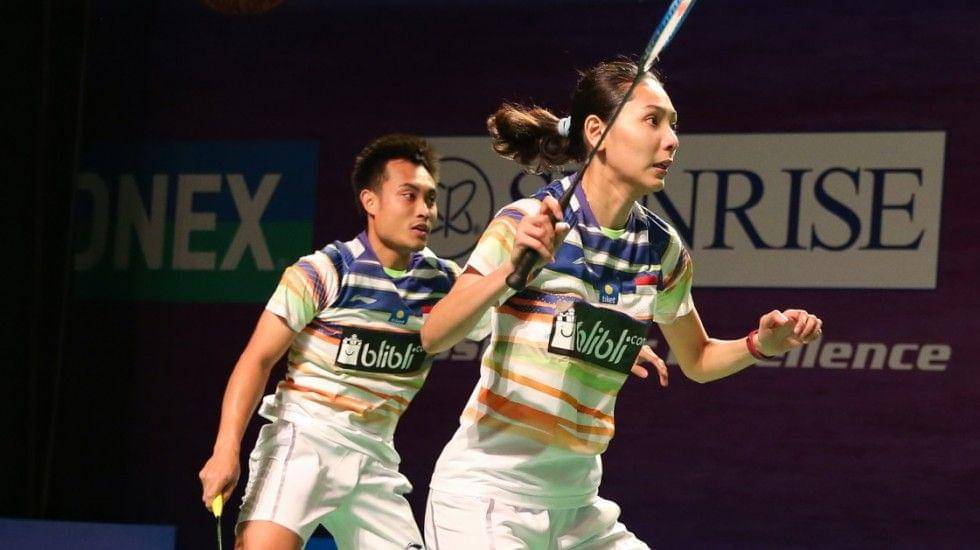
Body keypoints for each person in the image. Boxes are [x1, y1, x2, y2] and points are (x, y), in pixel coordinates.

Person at [420, 60, 823, 548]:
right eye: (652, 121)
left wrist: (759, 345)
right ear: (597, 132)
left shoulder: (661, 249)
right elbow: (435, 334)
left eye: (673, 124)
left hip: (577, 506)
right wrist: (512, 271)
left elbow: (697, 358)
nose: (671, 140)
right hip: (488, 498)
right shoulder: (530, 221)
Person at [198, 134, 488, 549]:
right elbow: (257, 359)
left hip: (375, 458)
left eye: (430, 198)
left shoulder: (443, 283)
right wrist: (226, 449)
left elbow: (502, 322)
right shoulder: (324, 271)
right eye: (408, 196)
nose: (425, 210)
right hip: (304, 442)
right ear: (371, 201)